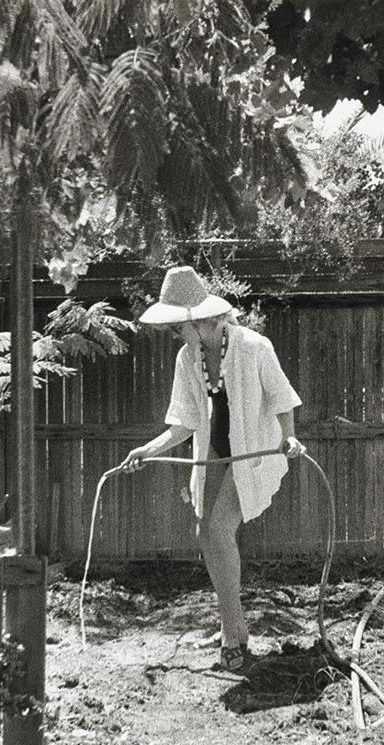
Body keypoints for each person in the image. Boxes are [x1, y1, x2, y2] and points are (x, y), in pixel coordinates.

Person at [120, 266, 306, 672]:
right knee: (207, 533)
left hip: (254, 451)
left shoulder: (254, 347)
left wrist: (289, 438)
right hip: (214, 454)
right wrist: (147, 450)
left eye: (177, 326)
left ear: (200, 321)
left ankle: (231, 632)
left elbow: (282, 399)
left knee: (218, 528)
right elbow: (183, 422)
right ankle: (233, 626)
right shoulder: (188, 359)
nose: (173, 334)